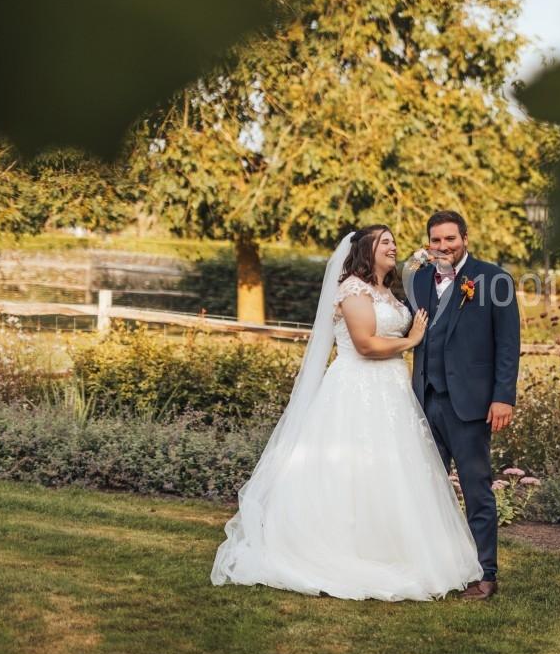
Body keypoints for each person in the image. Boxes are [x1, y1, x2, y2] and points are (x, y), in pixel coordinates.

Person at [210, 225, 483, 600]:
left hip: (390, 391)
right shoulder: (353, 288)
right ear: (366, 250)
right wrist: (412, 340)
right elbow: (367, 345)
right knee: (352, 471)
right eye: (384, 242)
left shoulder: (388, 291)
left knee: (392, 472)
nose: (393, 247)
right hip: (357, 389)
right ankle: (342, 551)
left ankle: (396, 549)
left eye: (393, 242)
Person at [407, 210, 520, 601]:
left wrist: (503, 396)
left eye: (450, 239)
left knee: (476, 489)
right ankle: (435, 568)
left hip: (470, 404)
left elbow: (508, 343)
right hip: (425, 399)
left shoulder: (494, 279)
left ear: (465, 238)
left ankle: (485, 573)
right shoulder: (419, 279)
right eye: (435, 240)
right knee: (426, 489)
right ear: (428, 242)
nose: (443, 247)